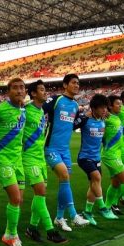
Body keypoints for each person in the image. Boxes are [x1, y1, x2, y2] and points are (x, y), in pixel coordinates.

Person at [43, 74, 89, 232]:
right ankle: (74, 215)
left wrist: (87, 117)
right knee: (64, 176)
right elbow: (39, 109)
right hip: (51, 148)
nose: (77, 86)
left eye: (78, 83)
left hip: (65, 150)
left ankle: (59, 218)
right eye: (73, 83)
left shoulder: (75, 105)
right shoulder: (56, 100)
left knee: (65, 182)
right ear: (65, 85)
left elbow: (76, 123)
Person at [23, 80, 67, 243]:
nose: (45, 92)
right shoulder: (26, 110)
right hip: (28, 158)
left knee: (40, 194)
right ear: (33, 93)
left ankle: (32, 228)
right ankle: (50, 230)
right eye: (41, 90)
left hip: (40, 158)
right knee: (40, 191)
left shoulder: (41, 112)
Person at [0, 78, 27, 246]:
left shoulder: (24, 111)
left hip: (18, 161)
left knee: (19, 200)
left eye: (22, 88)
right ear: (8, 92)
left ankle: (9, 233)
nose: (19, 91)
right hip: (3, 159)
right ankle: (12, 235)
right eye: (15, 88)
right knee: (15, 198)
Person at [74, 94, 118, 225]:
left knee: (94, 185)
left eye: (105, 108)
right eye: (101, 108)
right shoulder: (85, 119)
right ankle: (103, 208)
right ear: (93, 108)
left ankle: (87, 212)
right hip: (84, 157)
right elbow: (70, 126)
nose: (104, 110)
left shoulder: (103, 120)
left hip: (96, 158)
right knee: (97, 178)